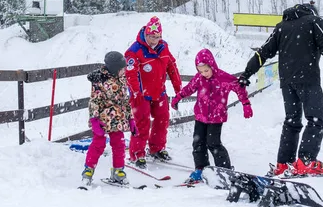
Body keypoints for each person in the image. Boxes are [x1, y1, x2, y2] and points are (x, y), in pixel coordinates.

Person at [237, 3, 323, 177]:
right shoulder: (314, 21)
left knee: (292, 121)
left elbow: (263, 52)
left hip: (287, 82)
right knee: (317, 119)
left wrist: (247, 73)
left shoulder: (281, 27)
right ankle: (306, 161)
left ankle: (284, 163)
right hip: (308, 79)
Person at [171, 48, 253, 184]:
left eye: (206, 70)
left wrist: (246, 104)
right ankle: (201, 168)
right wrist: (178, 97)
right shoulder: (199, 78)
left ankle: (225, 170)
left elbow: (239, 88)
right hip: (200, 116)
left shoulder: (223, 78)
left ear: (212, 66)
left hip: (216, 118)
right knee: (198, 143)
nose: (204, 74)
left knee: (213, 143)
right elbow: (189, 88)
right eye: (200, 71)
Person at [125, 16, 182, 168]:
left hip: (160, 92)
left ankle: (157, 148)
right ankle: (137, 153)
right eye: (152, 37)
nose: (155, 40)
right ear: (146, 34)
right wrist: (136, 92)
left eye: (158, 37)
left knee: (162, 119)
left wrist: (178, 89)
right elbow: (130, 74)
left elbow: (172, 67)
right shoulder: (134, 51)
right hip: (141, 94)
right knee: (141, 124)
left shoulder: (164, 47)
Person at [81, 51, 137, 188]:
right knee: (98, 145)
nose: (124, 71)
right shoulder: (100, 80)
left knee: (119, 145)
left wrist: (131, 119)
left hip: (118, 119)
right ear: (114, 69)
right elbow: (94, 101)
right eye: (122, 69)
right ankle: (88, 170)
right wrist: (94, 120)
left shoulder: (122, 79)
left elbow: (125, 101)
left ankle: (118, 171)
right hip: (102, 119)